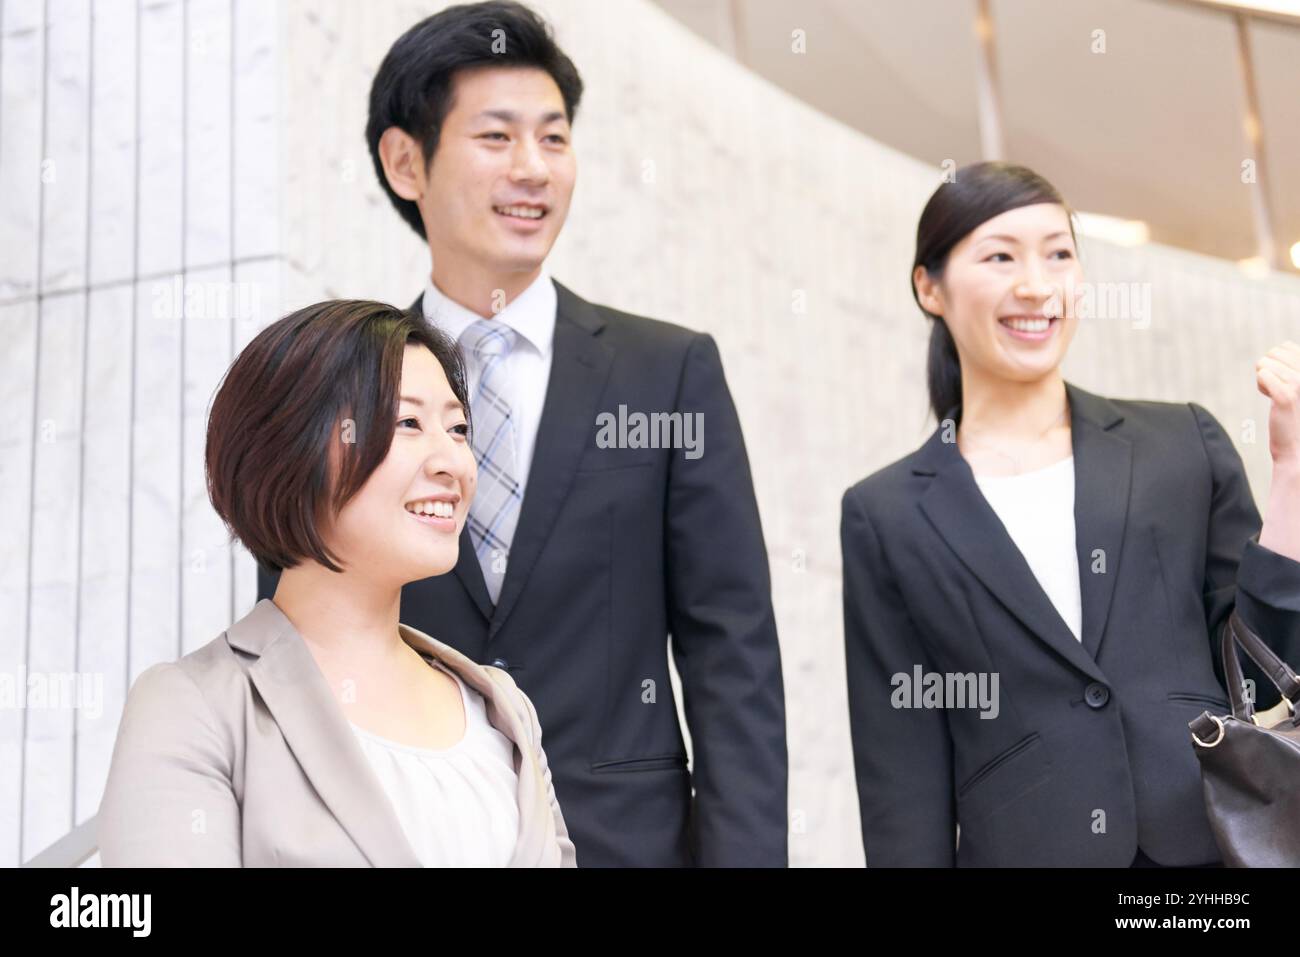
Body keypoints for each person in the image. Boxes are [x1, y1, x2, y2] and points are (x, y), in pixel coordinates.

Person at [258, 1, 788, 867]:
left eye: (554, 138)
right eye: (497, 138)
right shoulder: (336, 382)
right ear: (405, 161)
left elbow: (733, 657)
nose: (533, 169)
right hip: (401, 835)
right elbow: (294, 633)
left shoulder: (668, 371)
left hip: (628, 845)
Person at [840, 161, 1300, 867]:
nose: (1036, 284)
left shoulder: (1181, 445)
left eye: (1059, 253)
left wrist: (1293, 474)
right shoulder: (888, 513)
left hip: (1205, 859)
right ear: (928, 287)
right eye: (1000, 256)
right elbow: (901, 774)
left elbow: (1269, 677)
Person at [98, 300, 576, 867]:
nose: (453, 461)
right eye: (407, 423)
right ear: (290, 453)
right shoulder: (196, 707)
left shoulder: (503, 710)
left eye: (457, 428)